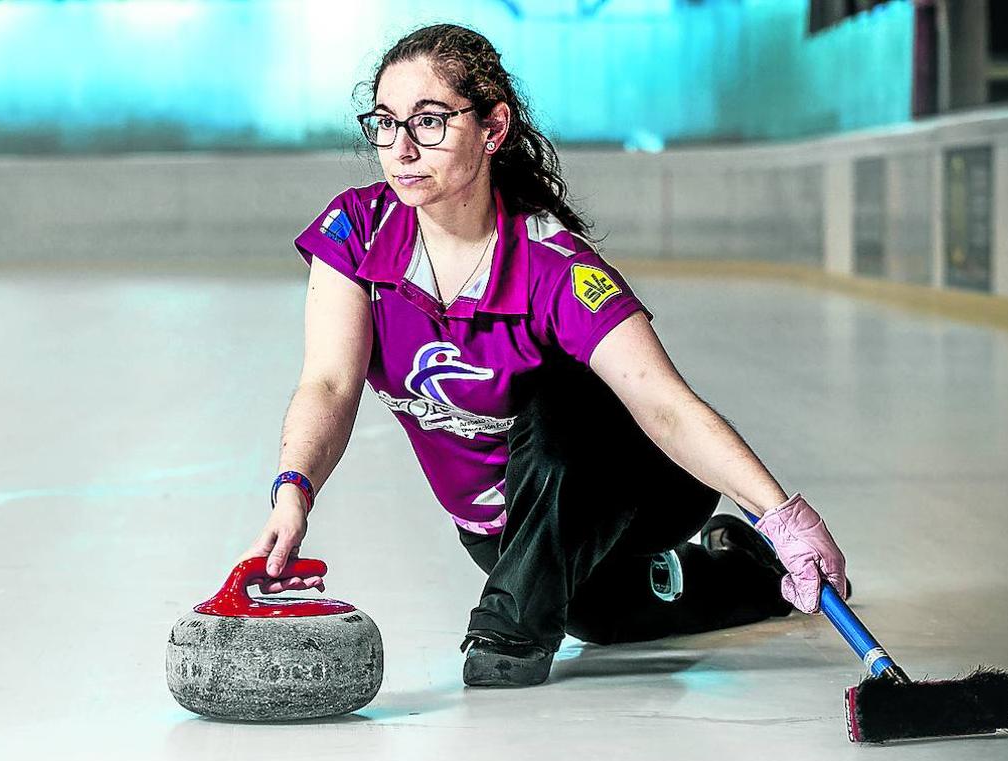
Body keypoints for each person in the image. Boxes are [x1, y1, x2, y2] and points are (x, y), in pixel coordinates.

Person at [238, 23, 849, 687]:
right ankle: (748, 569)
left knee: (562, 394)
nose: (402, 147)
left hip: (633, 483)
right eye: (385, 123)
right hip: (506, 529)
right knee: (610, 619)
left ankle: (509, 627)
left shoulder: (551, 264)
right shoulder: (357, 231)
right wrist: (293, 492)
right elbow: (328, 383)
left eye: (431, 121)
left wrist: (784, 514)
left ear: (493, 128)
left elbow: (665, 407)